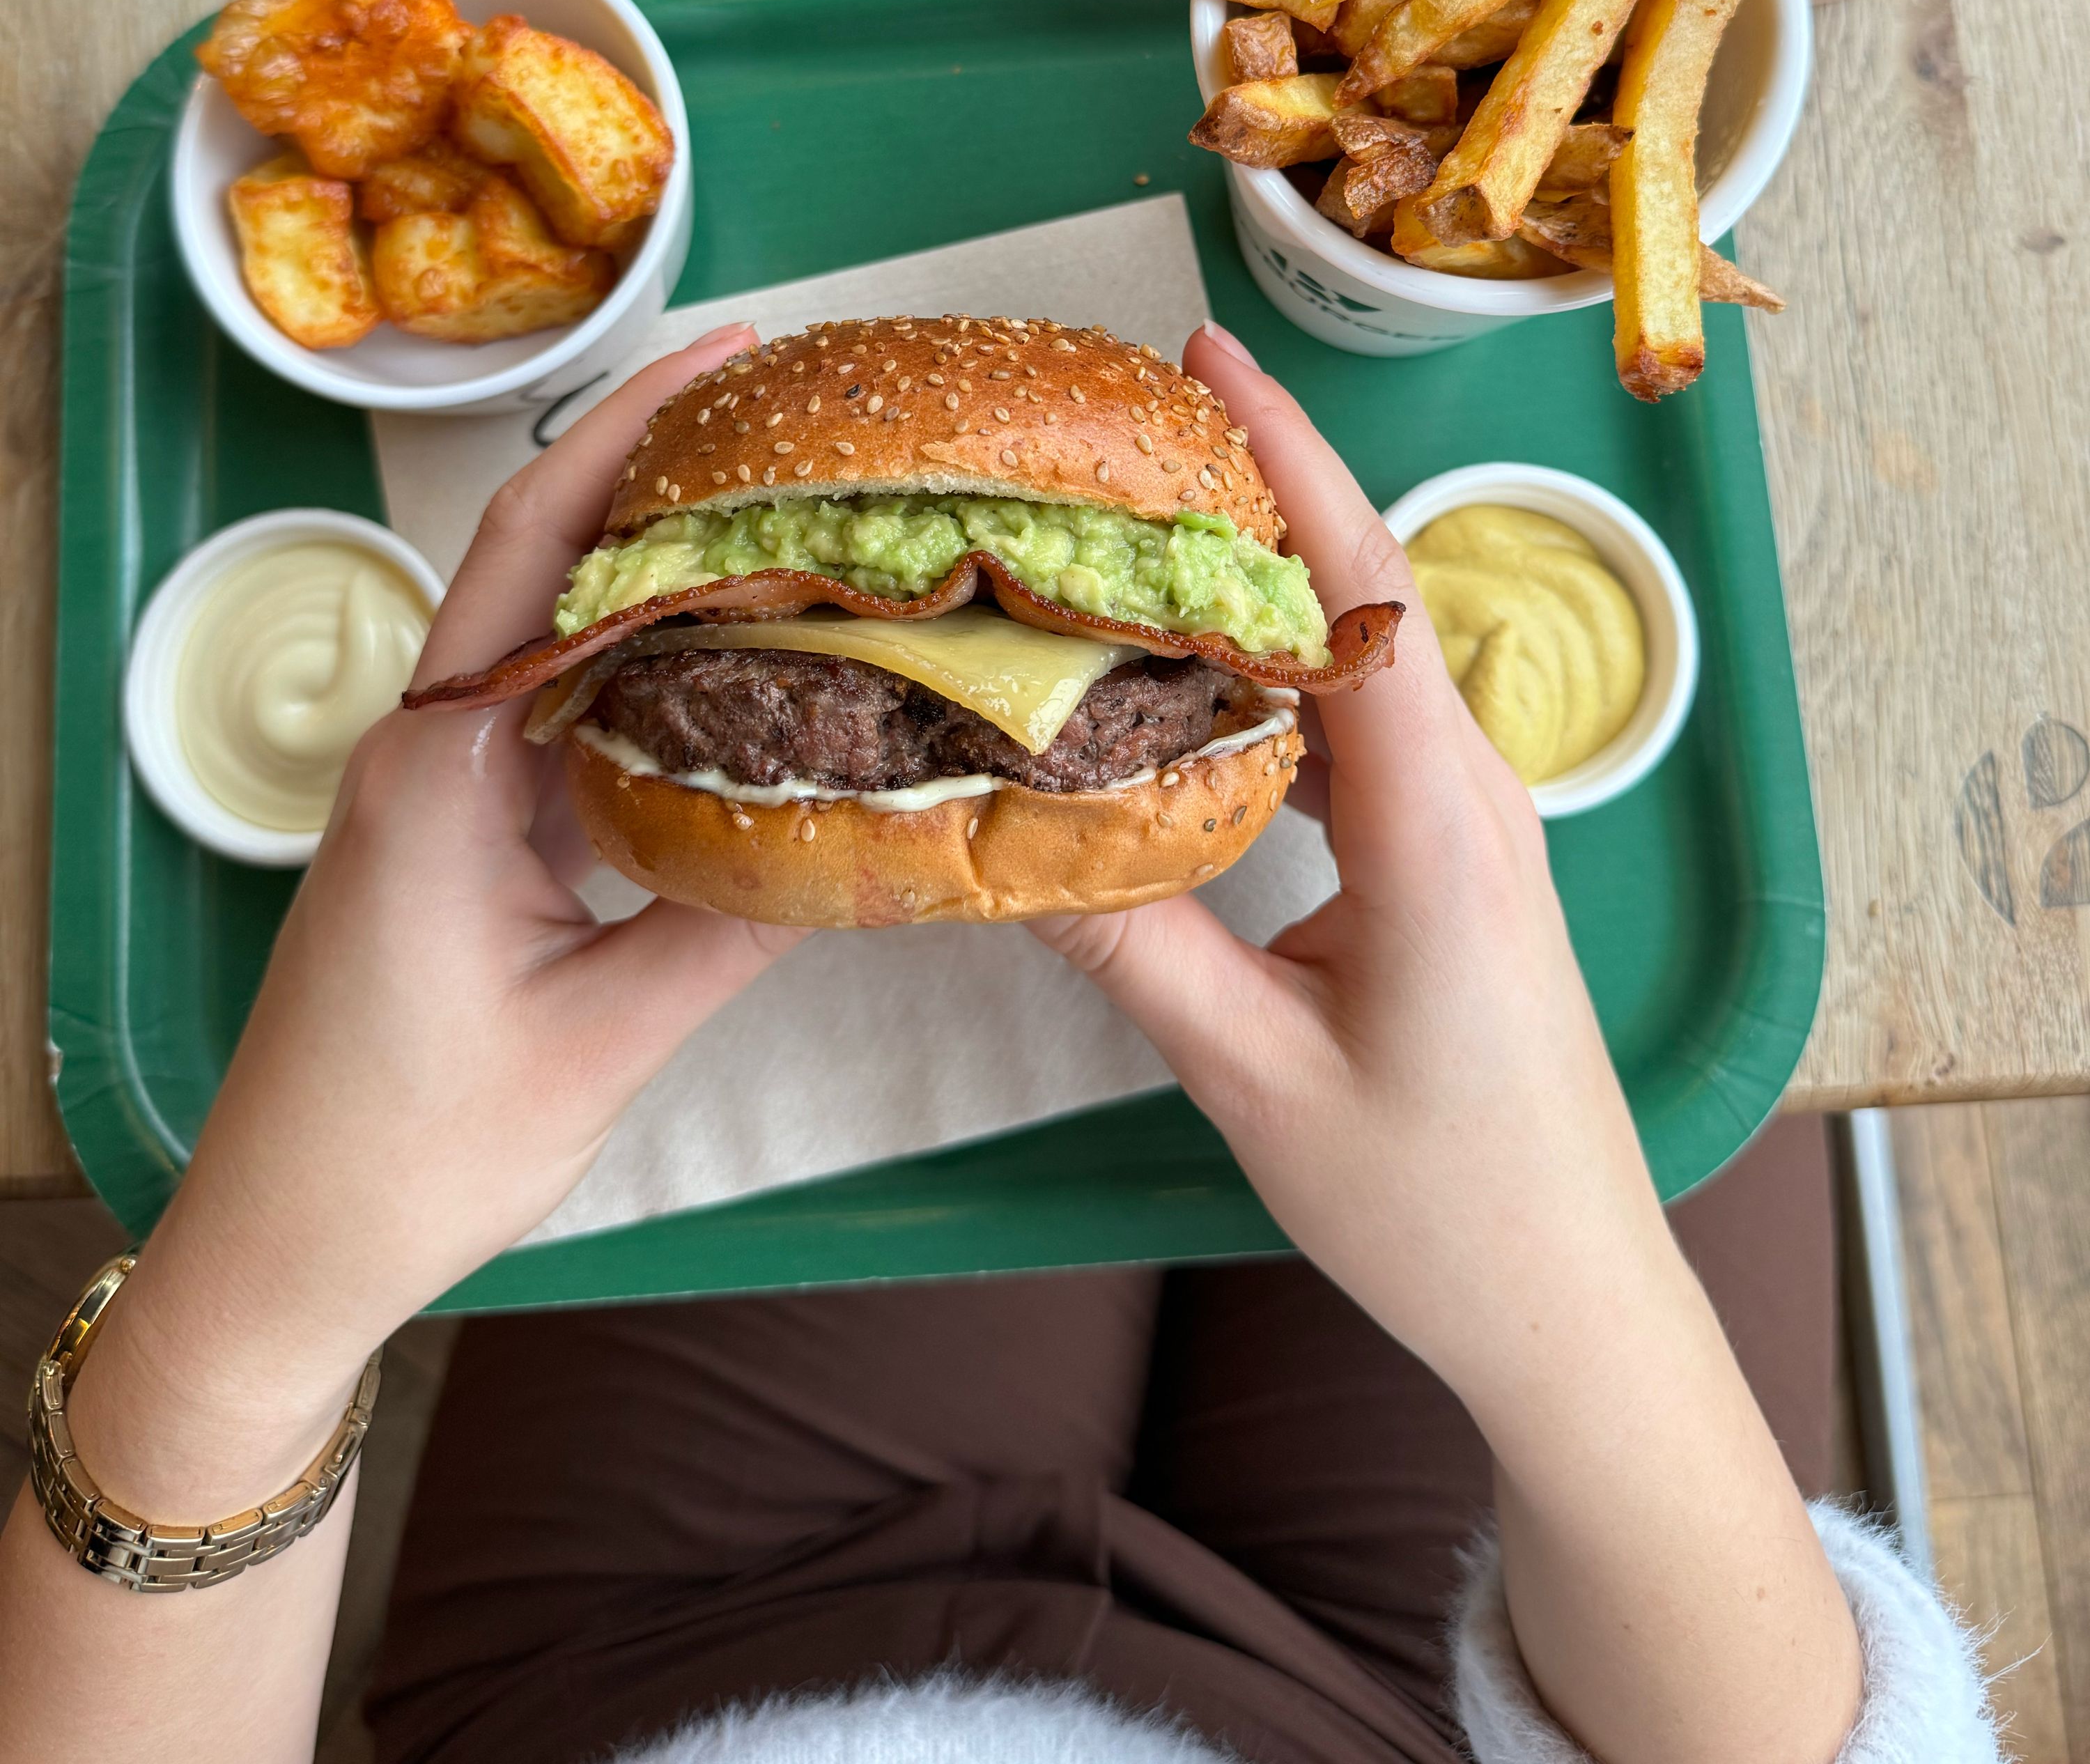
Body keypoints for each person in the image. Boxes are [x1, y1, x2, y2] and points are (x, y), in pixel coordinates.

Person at [0, 322, 2001, 1764]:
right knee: (1687, 1062)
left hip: (640, 1666)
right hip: (1397, 1714)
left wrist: (252, 1314)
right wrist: (1570, 1290)